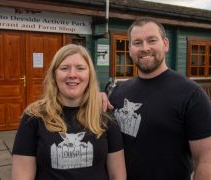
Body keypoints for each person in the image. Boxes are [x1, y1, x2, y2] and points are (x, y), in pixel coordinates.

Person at [108, 17, 211, 180]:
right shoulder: (118, 93)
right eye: (137, 43)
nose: (145, 48)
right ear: (130, 49)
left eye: (151, 40)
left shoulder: (191, 94)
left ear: (165, 44)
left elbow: (207, 162)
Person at [12, 44, 126, 180]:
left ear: (89, 74)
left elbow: (117, 174)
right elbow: (22, 175)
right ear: (54, 75)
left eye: (80, 68)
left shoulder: (104, 114)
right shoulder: (34, 116)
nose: (72, 75)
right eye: (64, 68)